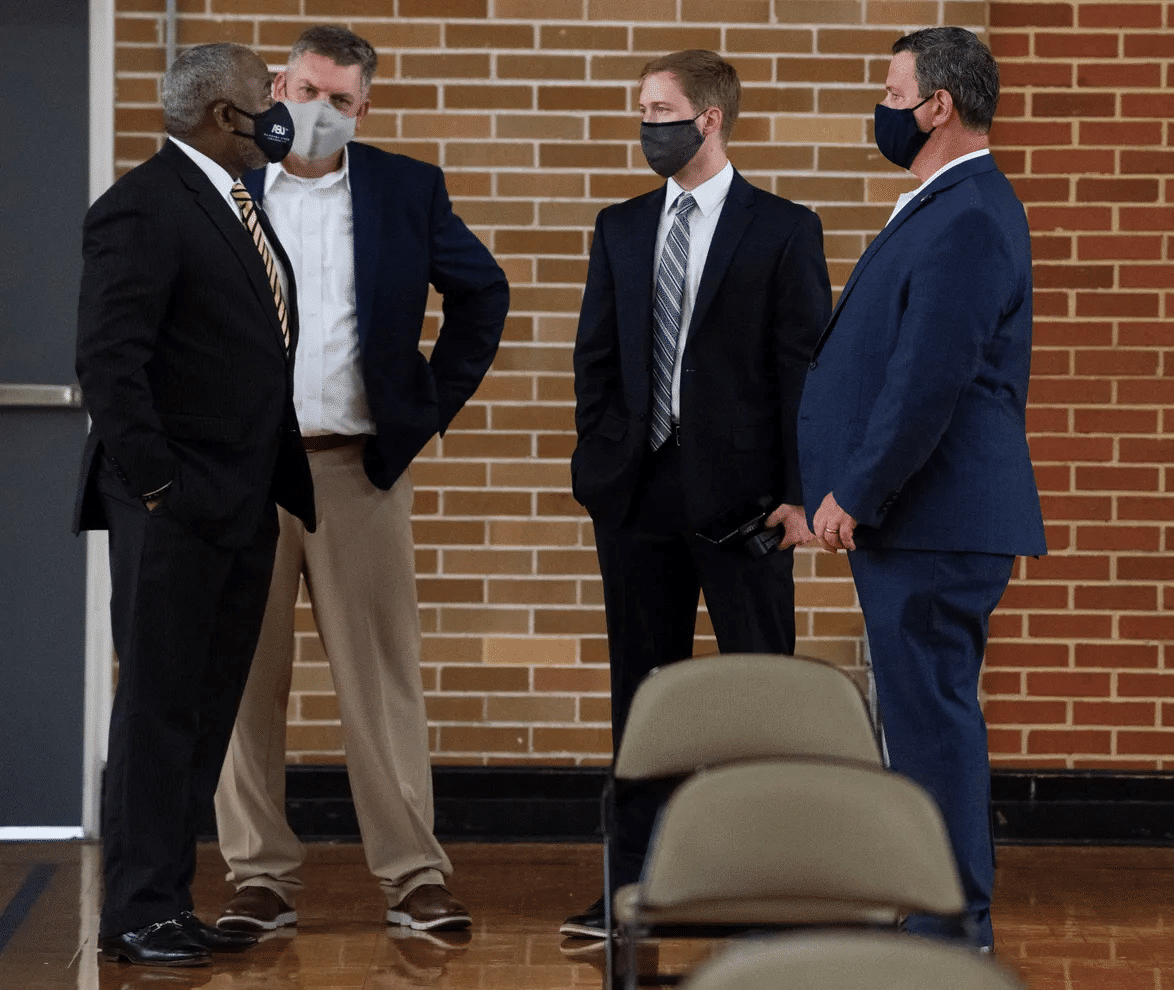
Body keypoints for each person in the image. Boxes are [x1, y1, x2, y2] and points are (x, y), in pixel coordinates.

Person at [212, 25, 509, 934]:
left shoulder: (404, 188)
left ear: (363, 109)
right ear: (274, 85)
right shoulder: (222, 183)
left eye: (340, 100)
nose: (318, 111)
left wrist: (422, 410)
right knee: (240, 679)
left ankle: (413, 875)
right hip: (243, 473)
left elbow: (483, 293)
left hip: (356, 466)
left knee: (381, 681)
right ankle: (258, 877)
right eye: (306, 90)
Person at [563, 49, 831, 938]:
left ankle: (772, 885)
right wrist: (600, 466)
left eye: (660, 110)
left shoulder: (784, 229)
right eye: (642, 111)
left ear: (709, 118)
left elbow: (805, 372)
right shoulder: (621, 225)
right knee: (643, 699)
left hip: (746, 504)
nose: (647, 126)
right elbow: (595, 359)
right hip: (637, 494)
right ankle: (634, 888)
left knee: (762, 693)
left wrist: (801, 493)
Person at [797, 27, 1046, 950]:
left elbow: (925, 380)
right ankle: (935, 909)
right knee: (920, 722)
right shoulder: (945, 203)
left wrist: (854, 492)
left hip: (933, 517)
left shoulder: (971, 213)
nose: (884, 106)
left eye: (893, 91)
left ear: (937, 106)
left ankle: (949, 926)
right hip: (921, 517)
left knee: (932, 729)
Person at [74, 42, 314, 967]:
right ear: (224, 116)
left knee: (203, 711)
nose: (279, 111)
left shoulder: (233, 201)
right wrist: (161, 487)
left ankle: (166, 901)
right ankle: (135, 910)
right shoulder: (142, 208)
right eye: (268, 98)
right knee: (158, 710)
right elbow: (109, 363)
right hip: (176, 508)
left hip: (240, 505)